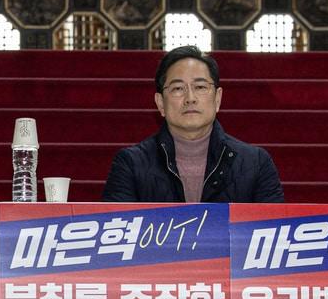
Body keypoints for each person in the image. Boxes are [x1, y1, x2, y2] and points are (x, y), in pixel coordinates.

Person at [102, 46, 284, 203]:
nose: (190, 98)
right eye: (178, 88)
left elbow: (274, 234)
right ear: (160, 103)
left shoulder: (256, 163)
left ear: (218, 98)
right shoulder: (131, 164)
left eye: (200, 87)